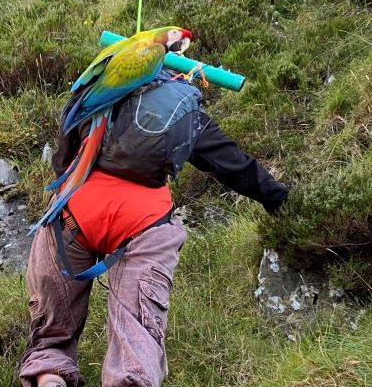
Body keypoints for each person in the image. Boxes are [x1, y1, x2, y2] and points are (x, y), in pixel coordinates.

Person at [18, 69, 288, 387]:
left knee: (52, 329)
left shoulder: (99, 90)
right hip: (143, 223)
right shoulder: (184, 112)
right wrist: (280, 201)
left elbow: (64, 156)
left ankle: (50, 376)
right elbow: (233, 165)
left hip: (76, 210)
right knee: (136, 336)